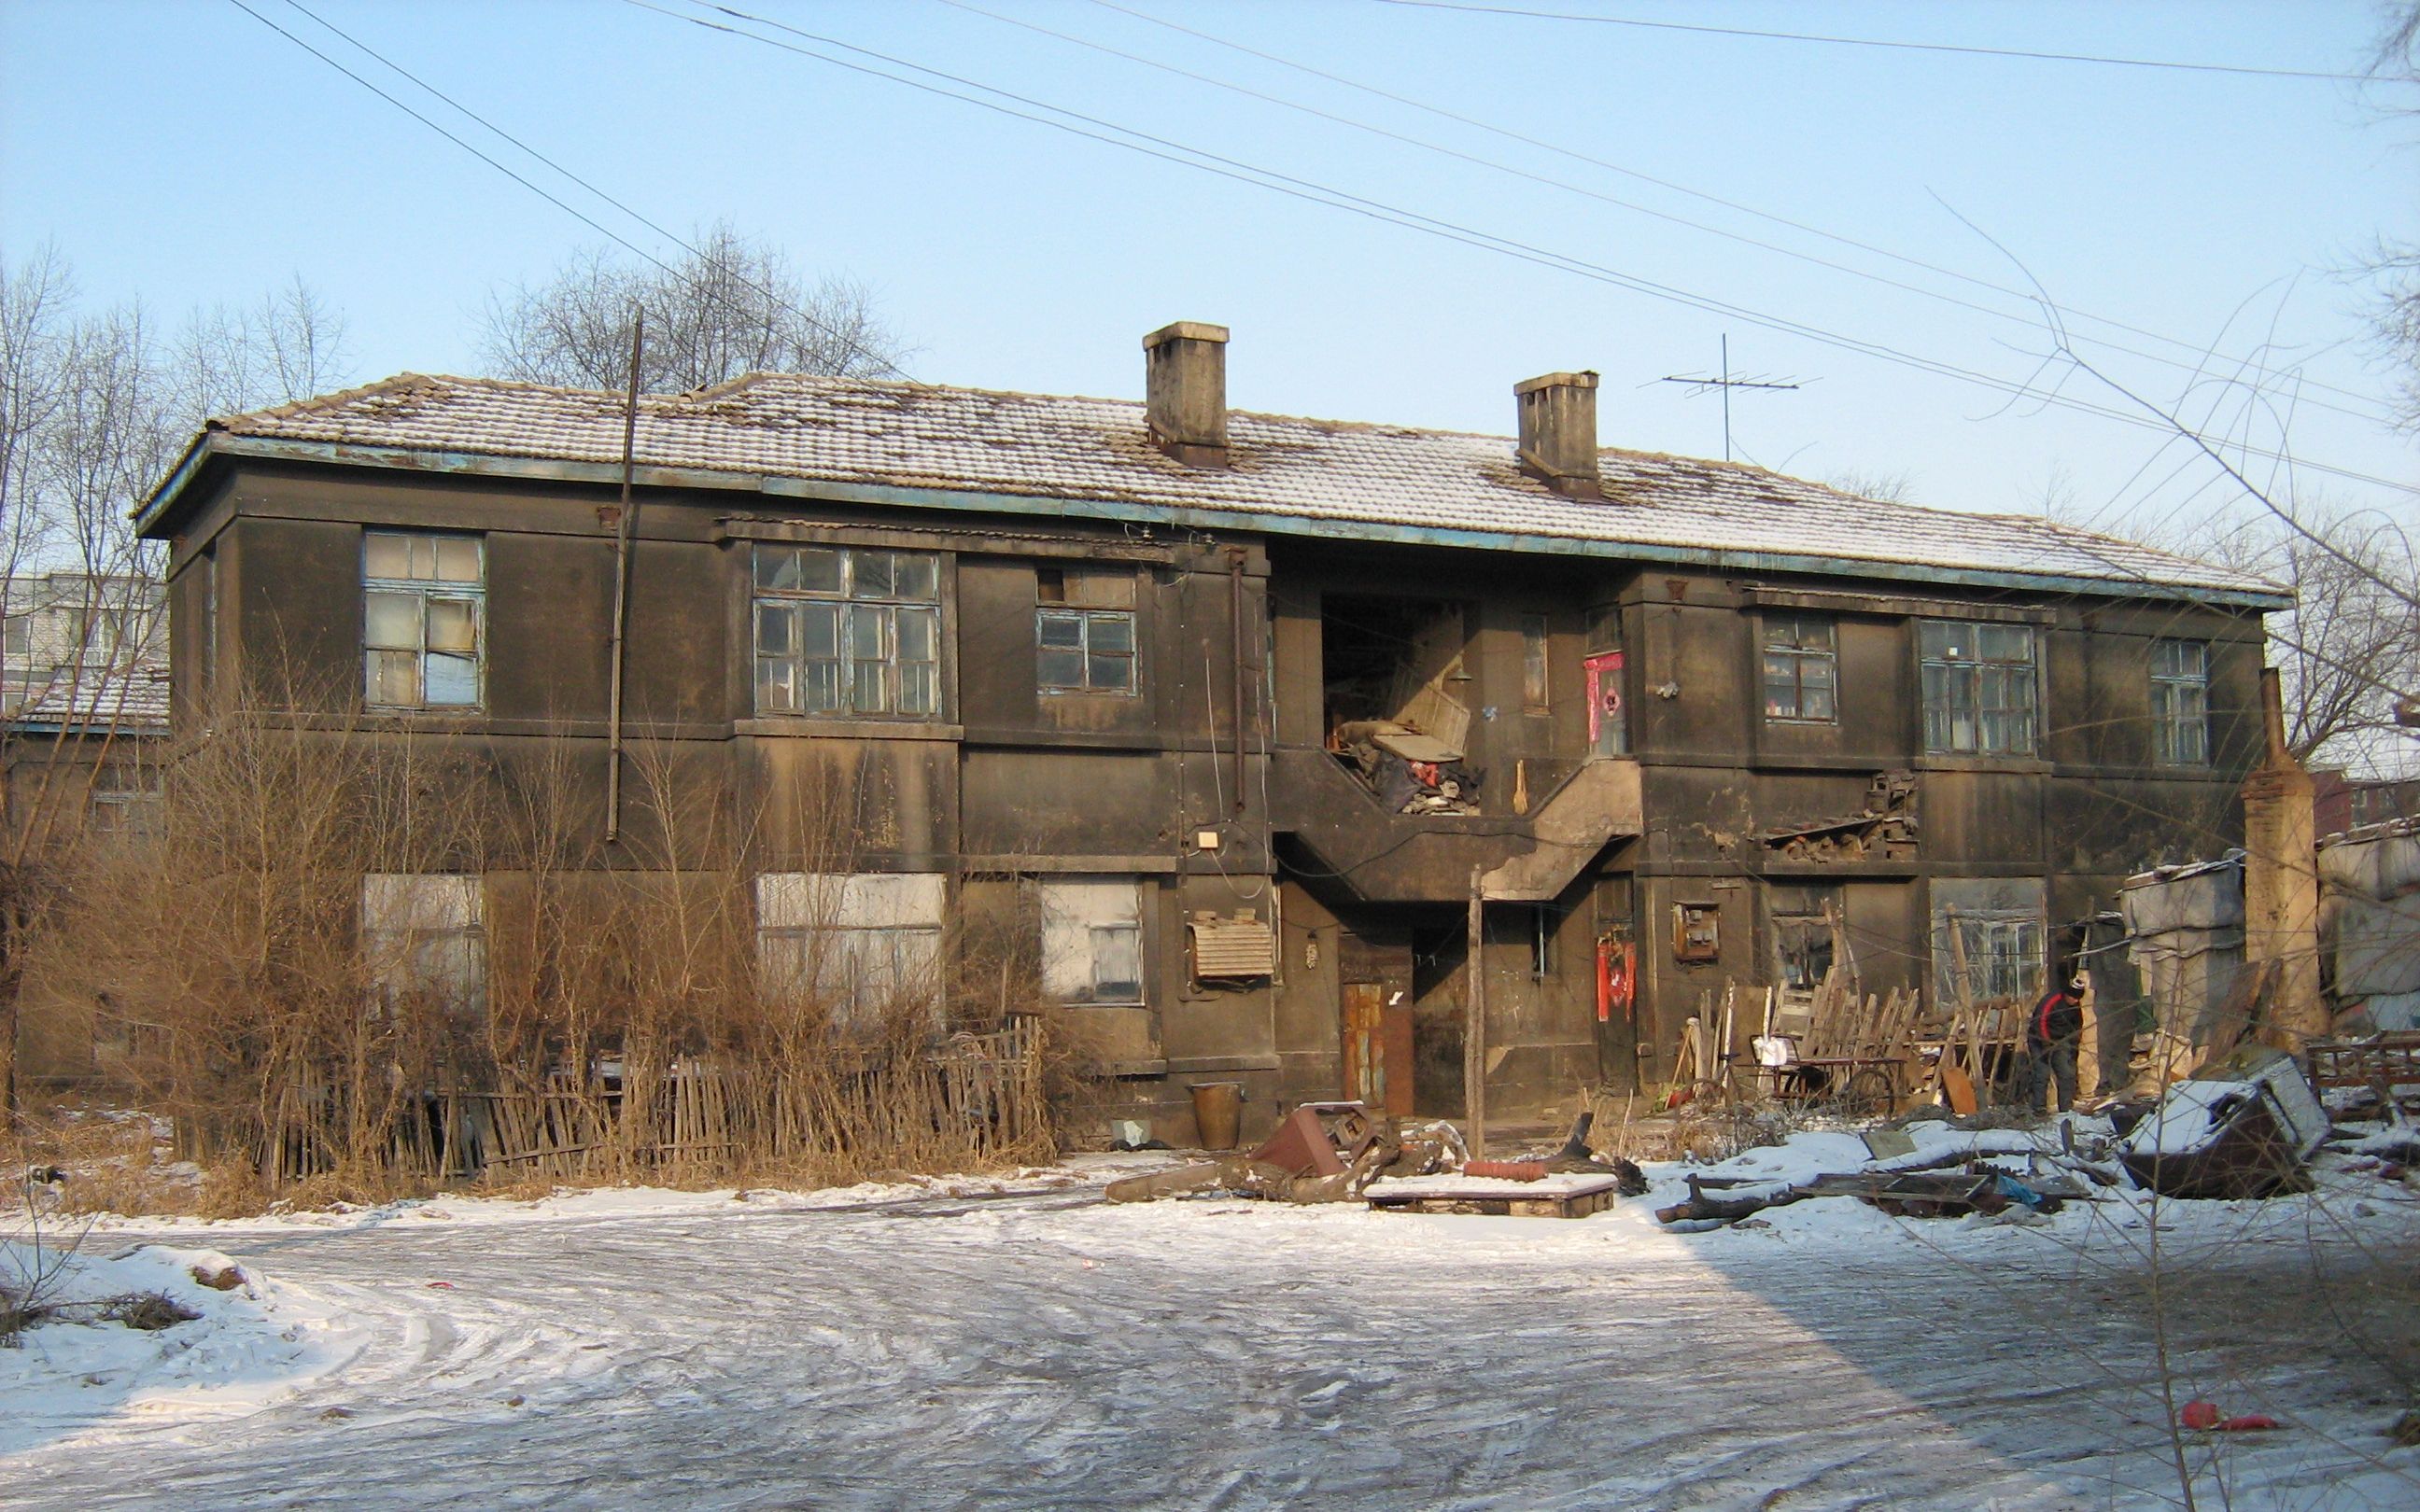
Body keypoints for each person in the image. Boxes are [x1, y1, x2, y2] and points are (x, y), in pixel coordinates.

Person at [2026, 973, 2087, 1114]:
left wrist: (2073, 1043)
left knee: (2066, 1073)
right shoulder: (2051, 1000)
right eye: (2073, 997)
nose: (2075, 1001)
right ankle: (2039, 1108)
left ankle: (2065, 1107)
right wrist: (2045, 1042)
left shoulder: (2075, 1006)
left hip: (2060, 1040)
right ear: (2067, 994)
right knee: (2042, 1074)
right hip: (2039, 1039)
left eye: (2078, 998)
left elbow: (2077, 1026)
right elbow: (2040, 1022)